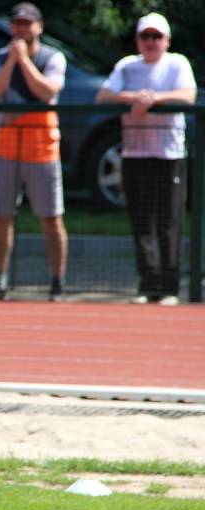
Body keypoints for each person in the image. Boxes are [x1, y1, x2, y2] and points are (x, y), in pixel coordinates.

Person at [95, 13, 197, 306]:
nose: (151, 42)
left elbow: (187, 96)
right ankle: (148, 283)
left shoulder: (177, 63)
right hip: (135, 152)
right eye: (146, 37)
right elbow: (104, 96)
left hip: (168, 154)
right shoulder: (127, 66)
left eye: (157, 37)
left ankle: (169, 286)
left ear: (166, 40)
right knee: (141, 220)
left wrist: (154, 100)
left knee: (168, 220)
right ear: (138, 40)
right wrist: (134, 99)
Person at [0, 2, 68, 302]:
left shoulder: (53, 57)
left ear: (39, 27)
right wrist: (11, 62)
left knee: (51, 217)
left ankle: (57, 281)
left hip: (43, 148)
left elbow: (47, 91)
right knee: (0, 216)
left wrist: (24, 61)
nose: (21, 29)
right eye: (17, 23)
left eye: (27, 23)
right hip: (6, 145)